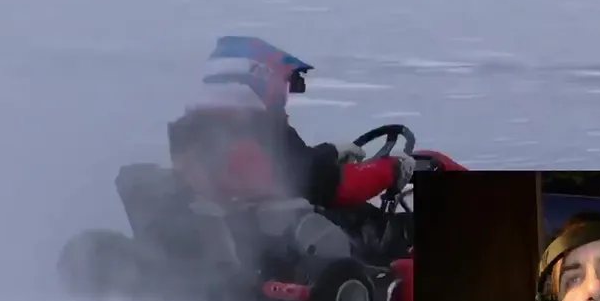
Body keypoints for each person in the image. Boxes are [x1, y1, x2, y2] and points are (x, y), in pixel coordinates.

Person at [167, 35, 415, 213]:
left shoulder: (197, 129)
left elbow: (297, 165)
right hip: (278, 243)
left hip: (243, 231)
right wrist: (390, 169)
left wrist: (331, 152)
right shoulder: (256, 132)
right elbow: (324, 184)